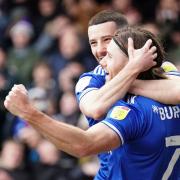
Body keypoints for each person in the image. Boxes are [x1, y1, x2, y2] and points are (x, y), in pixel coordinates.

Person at [4, 26, 180, 179]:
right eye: (93, 43)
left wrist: (29, 113)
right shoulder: (168, 76)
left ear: (133, 63)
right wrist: (128, 77)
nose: (102, 61)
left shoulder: (134, 110)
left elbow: (84, 144)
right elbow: (93, 106)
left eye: (110, 56)